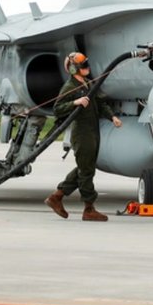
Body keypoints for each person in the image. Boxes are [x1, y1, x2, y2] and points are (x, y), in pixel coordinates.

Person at [44, 52, 121, 222]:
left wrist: (112, 117)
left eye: (87, 64)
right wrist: (75, 103)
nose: (87, 67)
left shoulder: (88, 84)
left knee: (85, 167)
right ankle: (89, 208)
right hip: (82, 134)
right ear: (73, 69)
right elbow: (57, 109)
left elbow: (100, 103)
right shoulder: (70, 87)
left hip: (93, 131)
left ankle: (57, 196)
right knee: (87, 172)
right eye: (83, 65)